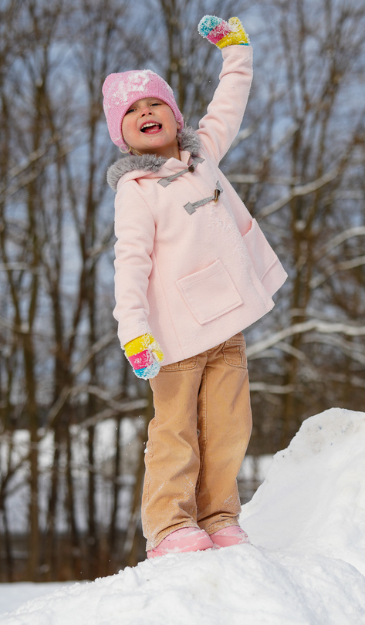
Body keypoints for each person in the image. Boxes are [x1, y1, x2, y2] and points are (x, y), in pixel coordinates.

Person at [104, 15, 287, 557]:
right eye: (133, 112)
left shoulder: (202, 153)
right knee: (176, 430)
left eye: (154, 103)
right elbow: (129, 263)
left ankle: (219, 515)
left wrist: (237, 50)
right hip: (175, 336)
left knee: (230, 426)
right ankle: (169, 526)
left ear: (174, 113)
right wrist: (134, 333)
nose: (146, 114)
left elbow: (229, 101)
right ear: (122, 133)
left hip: (226, 324)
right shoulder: (137, 190)